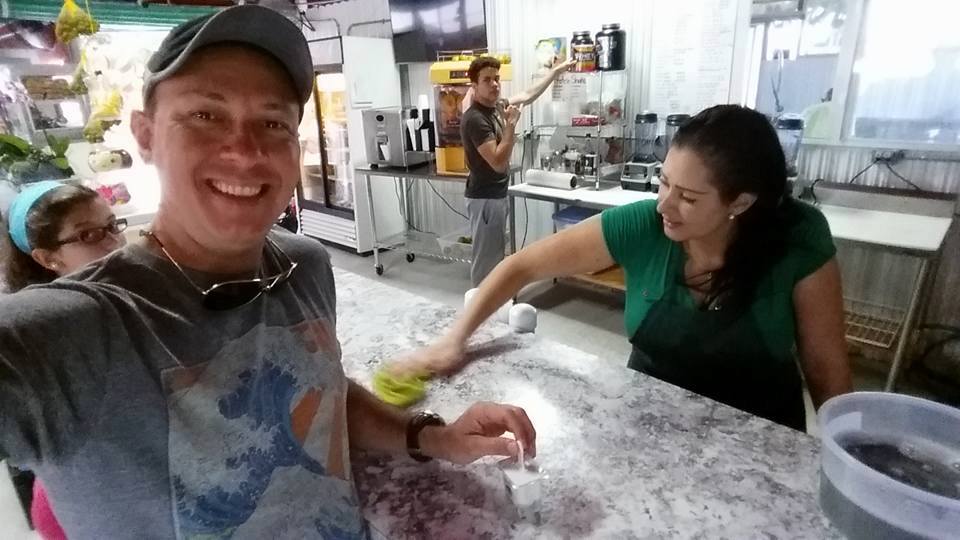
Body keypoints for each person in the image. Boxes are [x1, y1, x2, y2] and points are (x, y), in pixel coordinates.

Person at [0, 6, 535, 539]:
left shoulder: (304, 266)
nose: (245, 150)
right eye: (205, 115)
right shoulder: (68, 332)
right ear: (145, 134)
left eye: (273, 122)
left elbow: (320, 389)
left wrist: (432, 436)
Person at [394, 105, 853, 431]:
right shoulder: (645, 225)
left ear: (741, 203)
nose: (665, 205)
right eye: (664, 183)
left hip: (761, 437)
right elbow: (519, 267)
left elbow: (825, 370)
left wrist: (844, 460)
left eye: (688, 198)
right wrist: (452, 341)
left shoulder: (797, 236)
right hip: (649, 422)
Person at [1, 180, 127, 540]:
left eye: (112, 225)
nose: (114, 242)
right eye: (89, 235)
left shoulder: (129, 298)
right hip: (84, 509)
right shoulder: (38, 336)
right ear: (47, 258)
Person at [462, 55, 573, 286]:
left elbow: (528, 94)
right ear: (474, 86)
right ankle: (481, 305)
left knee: (494, 257)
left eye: (496, 78)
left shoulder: (495, 107)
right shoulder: (475, 119)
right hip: (485, 199)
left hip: (495, 195)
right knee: (486, 263)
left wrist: (555, 72)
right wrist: (511, 125)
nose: (494, 84)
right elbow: (498, 162)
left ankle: (493, 304)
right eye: (487, 80)